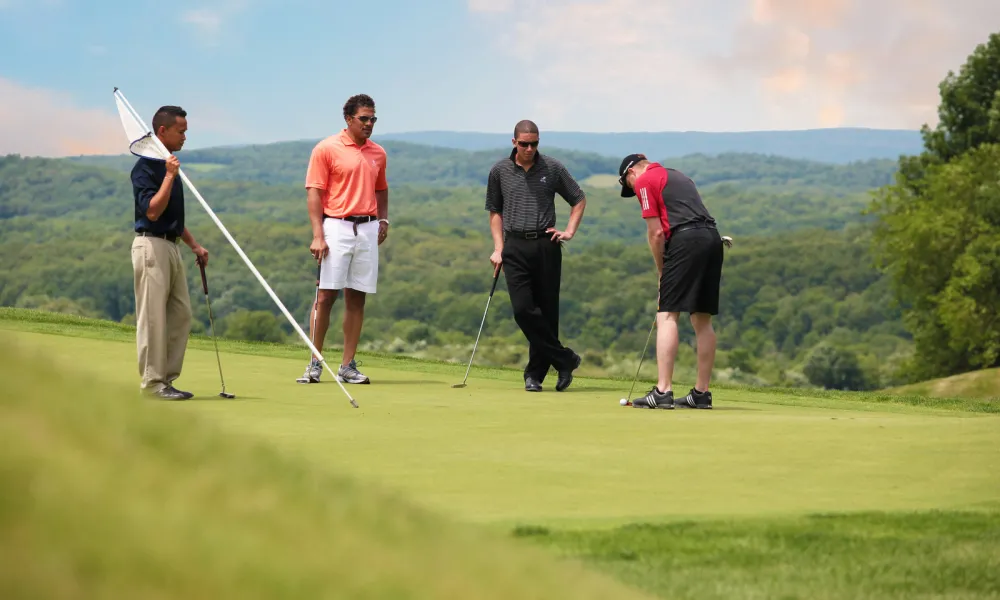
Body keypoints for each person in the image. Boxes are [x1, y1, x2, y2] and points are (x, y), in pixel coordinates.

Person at [617, 153, 728, 409]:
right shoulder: (679, 175)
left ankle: (663, 390)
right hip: (712, 239)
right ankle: (701, 393)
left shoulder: (644, 181)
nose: (633, 192)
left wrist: (661, 272)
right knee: (702, 317)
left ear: (631, 174)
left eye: (629, 187)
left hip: (685, 241)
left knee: (667, 314)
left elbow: (656, 233)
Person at [486, 120, 587, 392]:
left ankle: (535, 375)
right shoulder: (500, 171)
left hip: (546, 244)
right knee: (523, 310)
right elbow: (495, 212)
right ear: (514, 142)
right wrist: (498, 248)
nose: (529, 148)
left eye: (534, 143)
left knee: (547, 312)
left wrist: (569, 231)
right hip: (514, 246)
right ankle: (565, 359)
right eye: (524, 144)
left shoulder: (552, 168)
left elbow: (578, 198)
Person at [296, 93, 389, 385]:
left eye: (373, 118)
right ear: (348, 119)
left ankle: (347, 365)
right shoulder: (326, 148)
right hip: (335, 226)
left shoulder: (378, 153)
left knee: (357, 296)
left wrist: (383, 219)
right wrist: (317, 235)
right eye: (364, 118)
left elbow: (381, 189)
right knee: (325, 296)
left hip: (367, 228)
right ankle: (314, 363)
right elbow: (315, 192)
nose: (369, 124)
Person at [130, 105, 210, 400]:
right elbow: (152, 211)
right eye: (181, 131)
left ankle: (166, 379)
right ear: (162, 131)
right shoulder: (145, 168)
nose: (185, 137)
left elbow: (173, 217)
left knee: (181, 315)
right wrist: (168, 177)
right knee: (153, 317)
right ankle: (153, 383)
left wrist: (194, 245)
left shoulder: (168, 165)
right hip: (150, 245)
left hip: (171, 245)